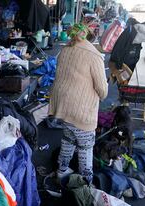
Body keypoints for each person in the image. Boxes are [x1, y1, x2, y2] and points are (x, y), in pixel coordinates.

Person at [48, 23, 108, 191]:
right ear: (89, 35)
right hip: (81, 110)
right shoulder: (94, 55)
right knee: (85, 148)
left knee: (68, 140)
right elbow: (102, 90)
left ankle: (61, 172)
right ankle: (85, 186)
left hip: (63, 107)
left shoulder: (65, 50)